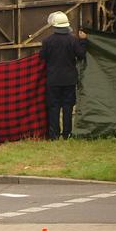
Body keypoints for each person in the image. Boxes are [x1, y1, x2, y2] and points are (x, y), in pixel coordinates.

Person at [40, 11, 87, 140]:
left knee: (54, 107)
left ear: (54, 26)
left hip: (53, 79)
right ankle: (67, 134)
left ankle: (54, 135)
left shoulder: (47, 41)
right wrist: (83, 41)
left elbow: (41, 57)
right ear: (66, 25)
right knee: (68, 107)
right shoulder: (73, 40)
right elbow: (81, 55)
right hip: (69, 80)